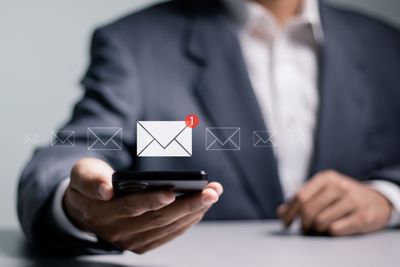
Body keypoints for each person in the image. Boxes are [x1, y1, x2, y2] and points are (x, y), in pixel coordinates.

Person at [18, 0, 400, 256]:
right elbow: (69, 154)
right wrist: (76, 206)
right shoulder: (135, 45)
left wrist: (387, 198)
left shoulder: (385, 44)